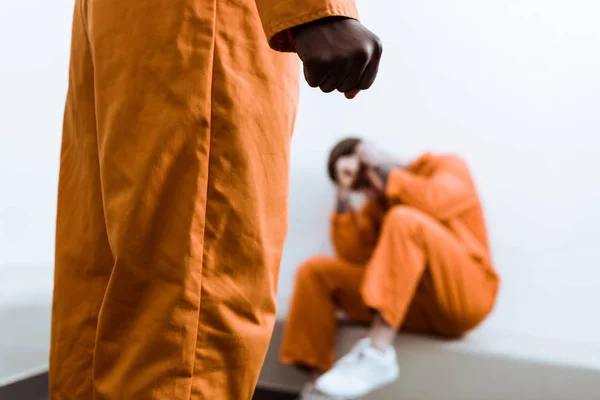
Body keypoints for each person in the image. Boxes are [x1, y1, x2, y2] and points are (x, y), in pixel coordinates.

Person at [49, 1, 383, 399]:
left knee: (105, 286)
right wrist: (315, 8)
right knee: (190, 321)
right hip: (206, 20)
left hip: (122, 20)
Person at [279, 138, 500, 399]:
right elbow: (354, 257)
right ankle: (323, 388)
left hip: (465, 297)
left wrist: (382, 169)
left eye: (364, 175)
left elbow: (435, 202)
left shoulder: (446, 166)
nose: (368, 187)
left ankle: (376, 351)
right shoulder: (379, 203)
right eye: (359, 185)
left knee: (404, 220)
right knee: (315, 272)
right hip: (414, 305)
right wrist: (343, 195)